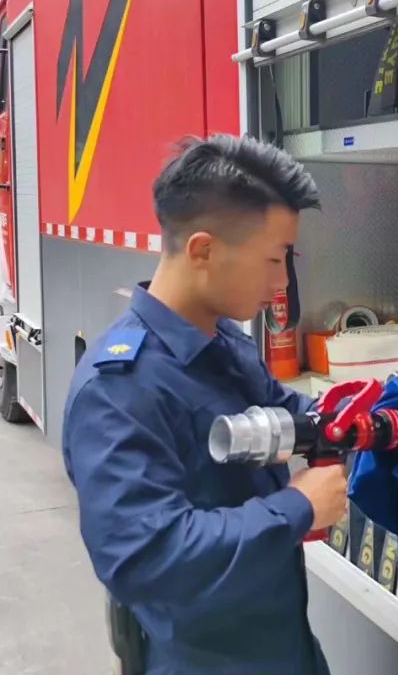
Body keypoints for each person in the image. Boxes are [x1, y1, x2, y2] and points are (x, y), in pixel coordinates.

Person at [62, 134, 343, 674]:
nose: (281, 282)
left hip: (282, 647)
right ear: (203, 251)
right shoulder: (118, 390)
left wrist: (362, 414)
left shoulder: (223, 343)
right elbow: (146, 557)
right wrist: (298, 506)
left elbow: (291, 416)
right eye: (273, 259)